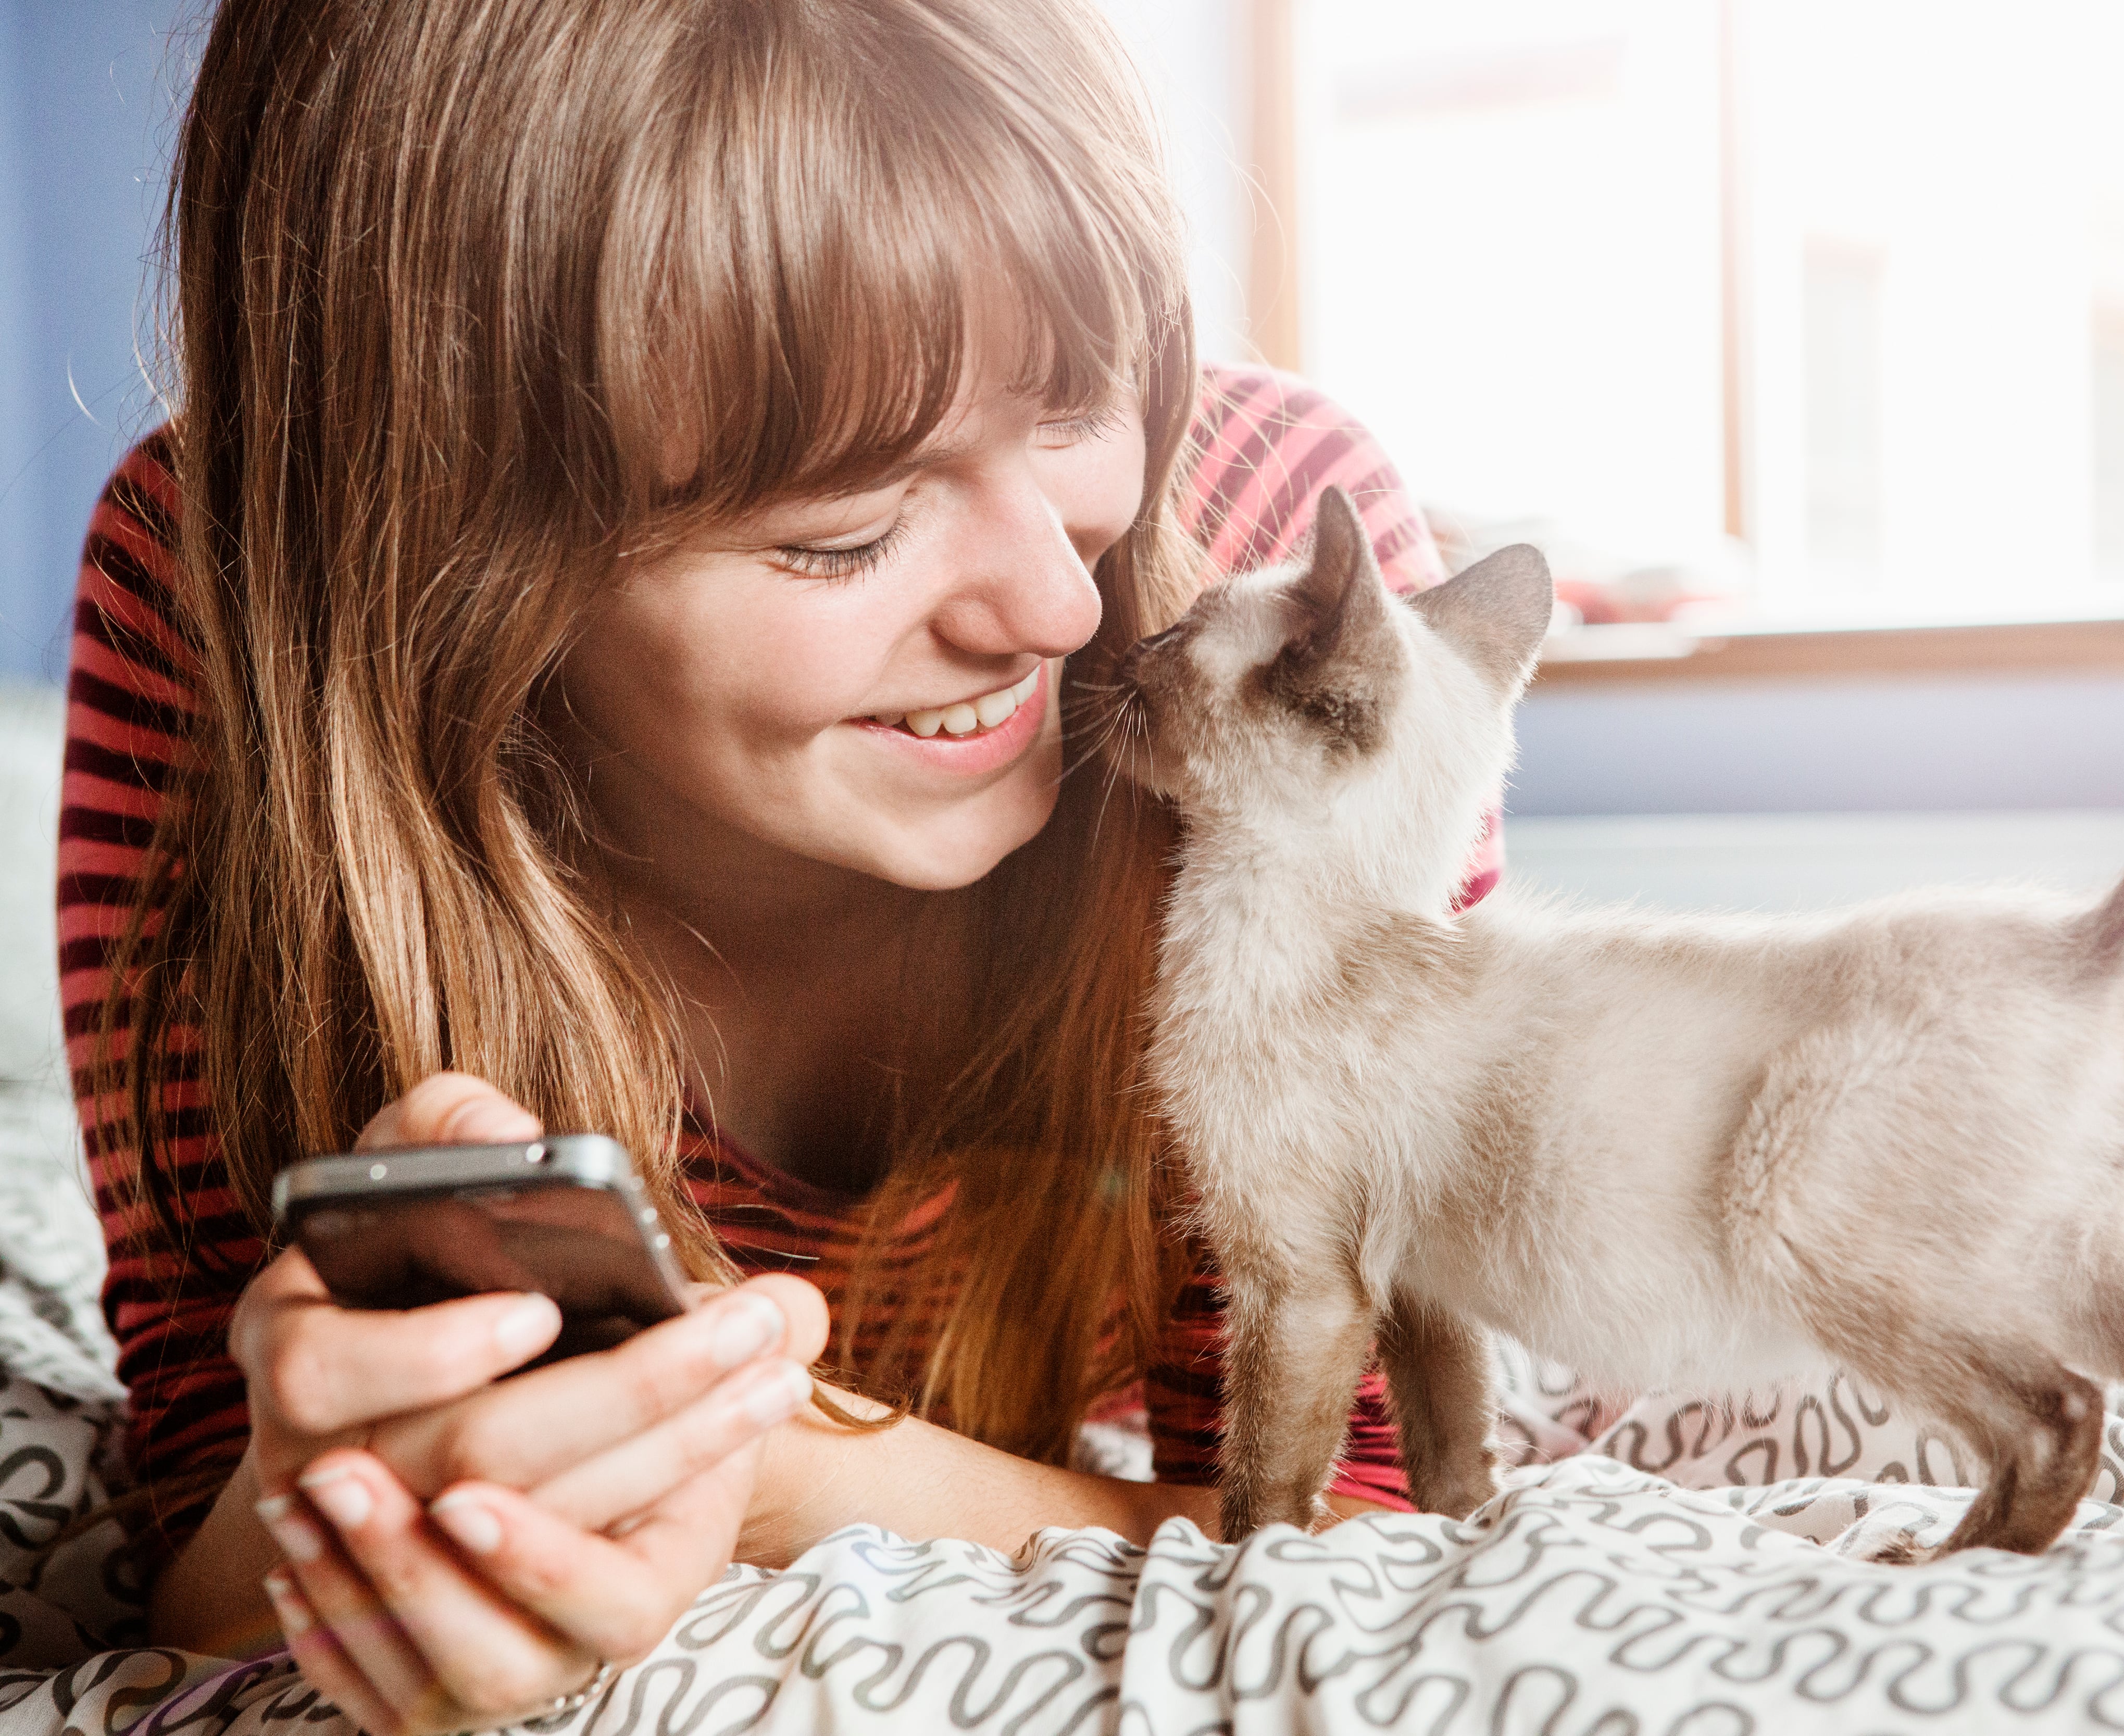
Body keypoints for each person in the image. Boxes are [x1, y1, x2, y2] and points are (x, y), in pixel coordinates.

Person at [58, 3, 1496, 1730]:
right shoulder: (224, 596)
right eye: (844, 533)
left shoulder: (1280, 587)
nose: (1059, 609)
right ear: (444, 552)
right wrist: (363, 1519)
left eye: (1079, 400)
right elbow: (200, 1563)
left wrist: (766, 1463)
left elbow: (1392, 1542)